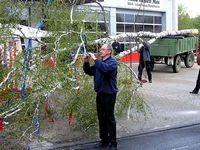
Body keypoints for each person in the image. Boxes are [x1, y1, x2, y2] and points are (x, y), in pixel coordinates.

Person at [82, 44, 118, 149]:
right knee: (101, 118)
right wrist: (86, 61)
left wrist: (95, 60)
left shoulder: (112, 63)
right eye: (100, 49)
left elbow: (105, 69)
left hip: (109, 95)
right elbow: (89, 71)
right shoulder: (100, 63)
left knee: (109, 118)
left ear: (109, 51)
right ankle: (104, 140)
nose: (100, 51)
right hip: (100, 94)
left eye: (102, 49)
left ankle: (113, 143)